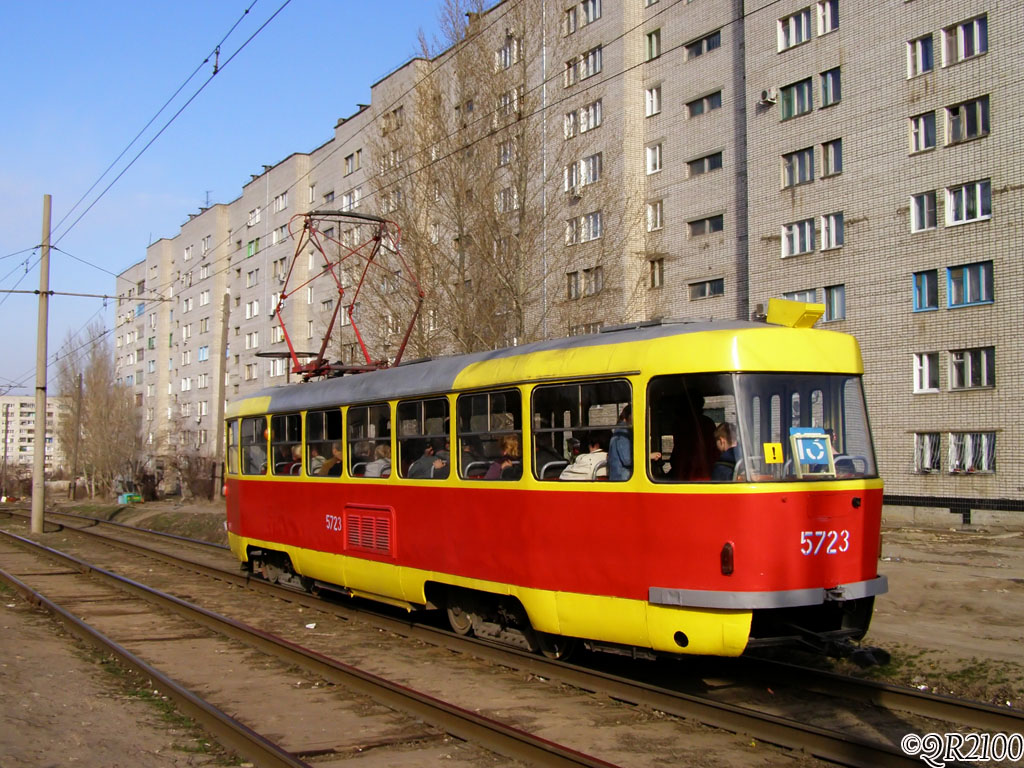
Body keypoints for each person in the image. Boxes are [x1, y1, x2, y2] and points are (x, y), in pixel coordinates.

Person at [608, 405, 661, 482]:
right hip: (623, 480)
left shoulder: (623, 431)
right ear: (630, 416)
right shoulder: (623, 432)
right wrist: (649, 456)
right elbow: (627, 459)